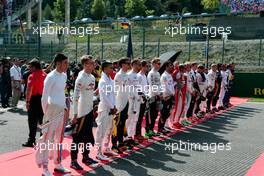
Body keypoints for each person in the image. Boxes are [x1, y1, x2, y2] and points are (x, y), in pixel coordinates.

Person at [36, 53, 70, 176]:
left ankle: (57, 164)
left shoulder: (64, 76)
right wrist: (47, 114)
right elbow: (44, 98)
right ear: (58, 63)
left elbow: (61, 93)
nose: (67, 65)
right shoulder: (50, 77)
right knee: (46, 140)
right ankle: (45, 168)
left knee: (59, 139)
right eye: (65, 63)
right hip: (51, 111)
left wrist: (65, 107)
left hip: (61, 109)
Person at [70, 55, 98, 170]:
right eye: (90, 63)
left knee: (87, 136)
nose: (93, 65)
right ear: (85, 65)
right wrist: (75, 114)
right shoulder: (80, 78)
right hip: (80, 113)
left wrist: (93, 108)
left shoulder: (92, 77)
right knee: (76, 137)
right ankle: (73, 160)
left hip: (89, 111)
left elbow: (90, 95)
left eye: (93, 63)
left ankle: (85, 157)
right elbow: (75, 97)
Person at [95, 61, 118, 161]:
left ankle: (106, 148)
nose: (112, 69)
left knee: (109, 129)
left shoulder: (110, 80)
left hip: (111, 108)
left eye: (112, 68)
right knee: (101, 131)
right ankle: (98, 152)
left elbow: (113, 95)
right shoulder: (103, 81)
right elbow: (104, 97)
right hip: (105, 108)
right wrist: (112, 107)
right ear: (104, 69)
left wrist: (114, 106)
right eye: (110, 68)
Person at [22, 59, 46, 147]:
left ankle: (31, 140)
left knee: (32, 121)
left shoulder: (32, 75)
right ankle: (42, 141)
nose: (29, 68)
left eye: (30, 67)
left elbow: (29, 90)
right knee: (42, 121)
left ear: (34, 67)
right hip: (43, 99)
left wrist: (27, 101)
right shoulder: (45, 75)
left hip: (34, 99)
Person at [112, 58, 131, 154]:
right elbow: (115, 91)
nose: (129, 65)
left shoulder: (127, 75)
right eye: (128, 63)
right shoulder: (118, 75)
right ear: (123, 64)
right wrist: (115, 105)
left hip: (125, 102)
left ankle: (121, 143)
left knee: (122, 124)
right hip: (119, 103)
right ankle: (114, 145)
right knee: (117, 124)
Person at [125, 59, 142, 148]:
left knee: (135, 120)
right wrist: (131, 97)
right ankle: (126, 138)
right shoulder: (128, 75)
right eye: (138, 65)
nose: (140, 67)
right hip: (131, 100)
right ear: (134, 65)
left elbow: (138, 88)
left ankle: (131, 137)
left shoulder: (137, 76)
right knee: (129, 119)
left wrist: (141, 95)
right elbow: (127, 89)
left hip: (137, 101)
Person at [145, 58, 161, 138]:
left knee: (155, 115)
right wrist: (158, 93)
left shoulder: (158, 73)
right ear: (153, 64)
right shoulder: (151, 73)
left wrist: (160, 93)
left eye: (160, 63)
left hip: (157, 96)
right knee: (150, 115)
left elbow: (159, 84)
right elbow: (152, 85)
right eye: (158, 63)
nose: (159, 65)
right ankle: (147, 131)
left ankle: (152, 129)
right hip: (151, 96)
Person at [158, 61, 174, 134]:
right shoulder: (164, 76)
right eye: (170, 65)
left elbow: (171, 86)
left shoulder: (169, 75)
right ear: (166, 66)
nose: (172, 67)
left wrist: (173, 93)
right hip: (166, 97)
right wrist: (171, 93)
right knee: (163, 113)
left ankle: (163, 126)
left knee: (167, 113)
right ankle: (160, 128)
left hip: (170, 96)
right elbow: (165, 87)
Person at [135, 60, 149, 141]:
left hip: (144, 99)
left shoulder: (144, 76)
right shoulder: (139, 76)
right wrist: (142, 95)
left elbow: (145, 88)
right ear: (142, 66)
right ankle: (137, 134)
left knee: (140, 118)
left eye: (148, 66)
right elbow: (138, 89)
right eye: (146, 66)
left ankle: (138, 133)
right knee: (138, 117)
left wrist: (147, 95)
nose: (147, 68)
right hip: (139, 100)